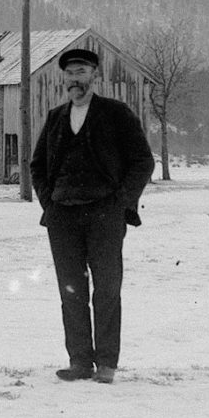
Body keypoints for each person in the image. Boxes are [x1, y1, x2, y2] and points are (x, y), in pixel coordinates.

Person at [28, 44, 156, 383]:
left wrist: (121, 203)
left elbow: (143, 161)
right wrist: (49, 203)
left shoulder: (116, 113)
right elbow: (37, 166)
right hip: (63, 218)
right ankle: (79, 362)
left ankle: (107, 365)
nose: (74, 80)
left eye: (81, 73)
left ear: (94, 76)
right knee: (71, 292)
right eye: (69, 74)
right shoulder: (56, 117)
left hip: (105, 216)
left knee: (107, 290)